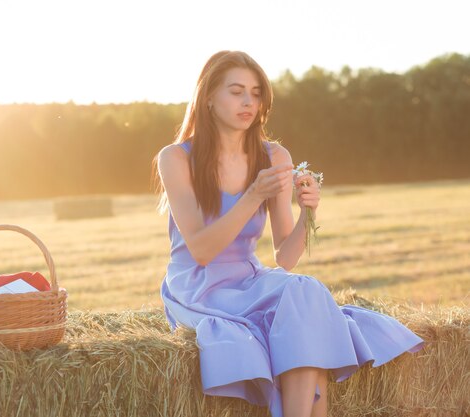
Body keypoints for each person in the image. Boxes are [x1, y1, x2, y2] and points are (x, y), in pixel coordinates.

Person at [152, 50, 425, 417]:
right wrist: (252, 197)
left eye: (256, 92)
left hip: (249, 280)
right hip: (199, 287)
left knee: (305, 290)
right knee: (304, 314)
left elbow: (285, 257)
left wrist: (306, 212)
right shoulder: (176, 158)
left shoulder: (274, 156)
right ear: (209, 98)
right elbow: (201, 250)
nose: (249, 101)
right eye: (236, 91)